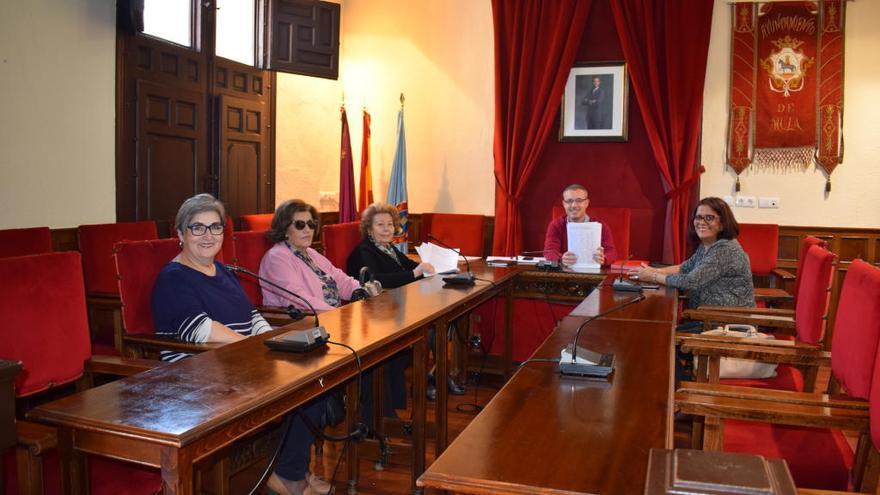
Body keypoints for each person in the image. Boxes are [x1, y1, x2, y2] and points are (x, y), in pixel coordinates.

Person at [152, 194, 329, 495]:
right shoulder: (174, 278)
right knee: (301, 391)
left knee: (316, 382)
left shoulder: (222, 271)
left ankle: (285, 470)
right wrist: (256, 349)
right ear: (180, 234)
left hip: (237, 361)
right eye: (197, 228)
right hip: (197, 375)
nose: (208, 236)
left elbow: (250, 314)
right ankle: (285, 475)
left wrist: (273, 340)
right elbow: (204, 331)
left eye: (215, 227)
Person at [631, 197, 755, 309]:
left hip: (724, 324)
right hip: (705, 317)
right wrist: (653, 270)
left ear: (722, 224)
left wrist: (653, 277)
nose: (701, 222)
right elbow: (685, 267)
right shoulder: (708, 244)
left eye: (709, 218)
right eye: (698, 217)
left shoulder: (725, 250)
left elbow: (690, 282)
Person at [259, 199, 375, 311]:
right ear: (284, 229)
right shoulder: (276, 258)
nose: (307, 230)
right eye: (300, 225)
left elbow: (340, 279)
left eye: (311, 224)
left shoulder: (311, 253)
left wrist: (364, 289)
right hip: (301, 325)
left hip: (331, 318)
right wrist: (338, 314)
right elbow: (296, 299)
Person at [346, 202, 434, 289]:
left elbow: (408, 264)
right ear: (369, 229)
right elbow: (376, 280)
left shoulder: (388, 247)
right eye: (380, 224)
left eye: (390, 224)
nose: (386, 229)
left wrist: (427, 268)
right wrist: (415, 273)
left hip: (398, 295)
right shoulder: (364, 251)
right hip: (376, 301)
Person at [543, 184, 618, 267]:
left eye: (579, 200)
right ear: (564, 204)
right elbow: (549, 251)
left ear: (586, 203)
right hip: (564, 273)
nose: (574, 205)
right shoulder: (556, 225)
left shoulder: (600, 225)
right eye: (569, 201)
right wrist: (561, 259)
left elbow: (612, 253)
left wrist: (604, 258)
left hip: (593, 274)